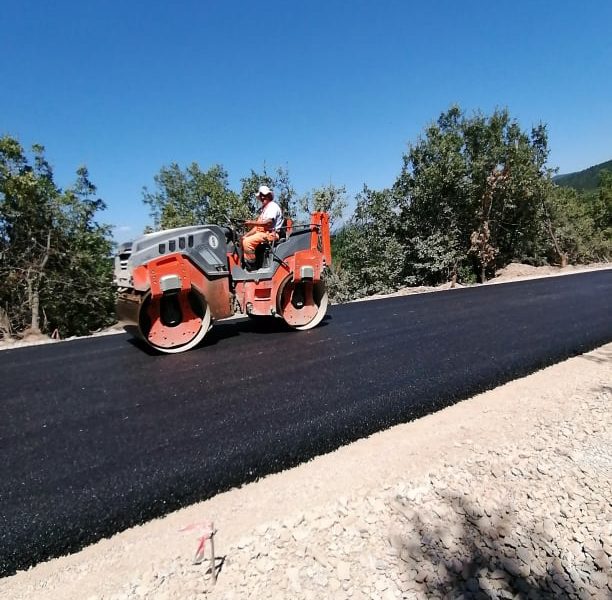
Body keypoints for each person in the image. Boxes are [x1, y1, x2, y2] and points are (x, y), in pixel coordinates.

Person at [242, 185, 283, 270]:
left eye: (264, 195)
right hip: (262, 234)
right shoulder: (264, 209)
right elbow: (257, 228)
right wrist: (246, 235)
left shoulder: (273, 206)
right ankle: (244, 265)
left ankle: (251, 268)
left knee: (247, 242)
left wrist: (251, 222)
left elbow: (268, 223)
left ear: (269, 196)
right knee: (243, 239)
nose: (262, 197)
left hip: (271, 234)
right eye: (261, 196)